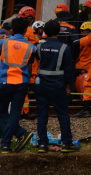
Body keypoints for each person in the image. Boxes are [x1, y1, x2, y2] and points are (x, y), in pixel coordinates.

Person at [34, 20, 78, 152]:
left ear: (45, 32)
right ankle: (66, 143)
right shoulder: (65, 48)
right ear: (58, 32)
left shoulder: (39, 47)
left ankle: (42, 144)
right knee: (63, 114)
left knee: (42, 114)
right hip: (58, 85)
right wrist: (68, 87)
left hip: (41, 84)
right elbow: (68, 70)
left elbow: (37, 59)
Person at [0, 17, 36, 153]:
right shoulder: (31, 47)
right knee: (14, 114)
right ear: (26, 30)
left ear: (12, 29)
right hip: (22, 83)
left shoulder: (3, 43)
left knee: (2, 112)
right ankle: (7, 144)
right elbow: (31, 66)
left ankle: (13, 138)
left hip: (4, 81)